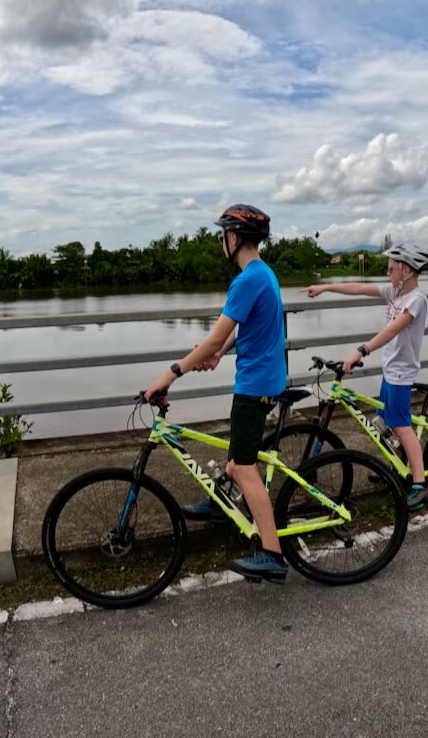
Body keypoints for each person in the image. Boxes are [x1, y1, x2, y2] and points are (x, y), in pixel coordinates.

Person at [143, 204, 289, 584]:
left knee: (242, 467)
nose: (220, 241)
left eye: (222, 235)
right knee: (235, 458)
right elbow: (244, 329)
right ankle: (221, 505)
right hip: (265, 378)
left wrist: (171, 373)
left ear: (234, 237)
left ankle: (271, 553)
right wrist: (219, 352)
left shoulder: (246, 280)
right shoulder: (263, 273)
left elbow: (214, 337)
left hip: (254, 385)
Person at [301, 242, 428, 510]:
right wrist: (326, 288)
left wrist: (361, 351)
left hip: (402, 373)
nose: (388, 274)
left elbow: (392, 331)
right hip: (391, 369)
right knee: (384, 421)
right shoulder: (394, 293)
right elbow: (359, 288)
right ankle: (399, 469)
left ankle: (421, 486)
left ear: (406, 270)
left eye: (391, 269)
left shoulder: (416, 299)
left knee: (401, 425)